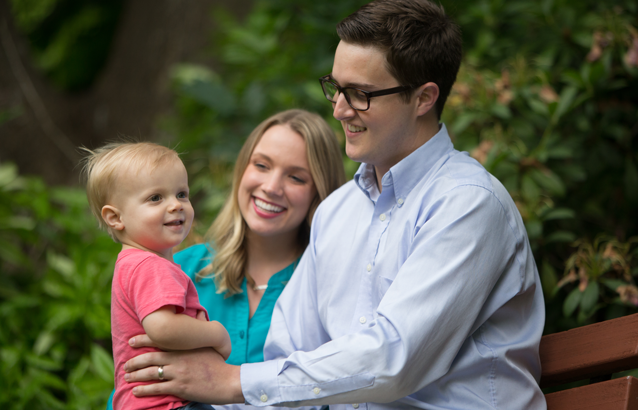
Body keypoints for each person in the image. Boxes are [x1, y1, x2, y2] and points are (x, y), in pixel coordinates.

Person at [123, 1, 547, 408]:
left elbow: (394, 360)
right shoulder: (338, 212)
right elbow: (287, 355)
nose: (341, 110)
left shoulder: (468, 205)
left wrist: (231, 381)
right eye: (336, 89)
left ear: (423, 98)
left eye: (360, 94)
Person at [104, 109, 346, 409]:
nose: (271, 187)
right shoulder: (179, 268)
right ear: (241, 170)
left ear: (319, 192)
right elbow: (132, 381)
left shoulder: (329, 288)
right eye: (261, 165)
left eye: (296, 177)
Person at [83, 142, 231, 410]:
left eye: (182, 194)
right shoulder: (149, 266)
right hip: (165, 404)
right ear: (115, 217)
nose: (176, 205)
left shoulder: (133, 263)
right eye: (155, 198)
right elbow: (162, 328)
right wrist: (216, 333)